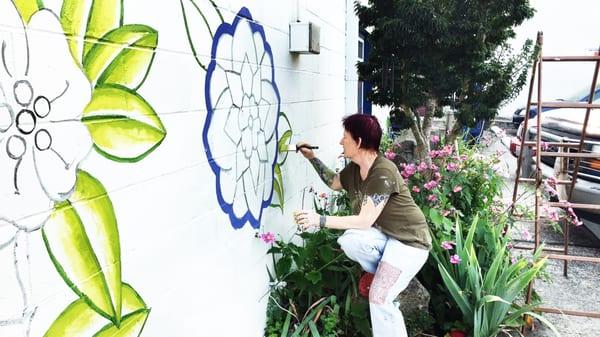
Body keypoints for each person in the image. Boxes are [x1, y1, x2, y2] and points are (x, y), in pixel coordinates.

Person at [294, 113, 431, 337]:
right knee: (350, 240)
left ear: (358, 142)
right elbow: (333, 182)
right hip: (387, 237)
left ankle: (384, 284)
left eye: (345, 137)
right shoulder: (355, 169)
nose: (341, 142)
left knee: (379, 296)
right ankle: (383, 275)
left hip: (410, 243)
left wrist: (318, 219)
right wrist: (311, 157)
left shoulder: (382, 172)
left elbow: (365, 220)